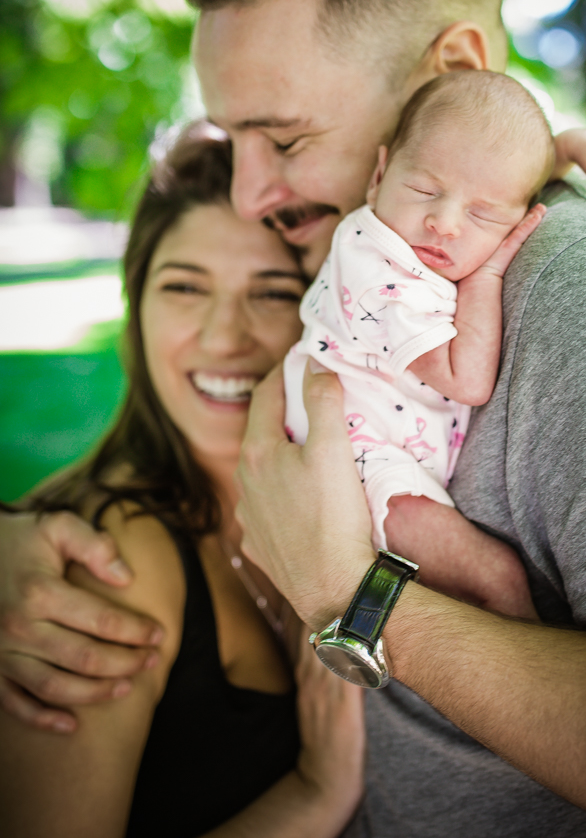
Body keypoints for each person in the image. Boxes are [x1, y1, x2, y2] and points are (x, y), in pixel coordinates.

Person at [1, 0, 586, 837]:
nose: (249, 195)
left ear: (454, 70)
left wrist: (354, 600)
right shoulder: (374, 256)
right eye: (234, 144)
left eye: (280, 138)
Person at [0, 123, 365, 838]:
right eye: (184, 287)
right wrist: (315, 795)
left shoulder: (342, 498)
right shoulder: (103, 565)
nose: (223, 336)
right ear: (136, 308)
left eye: (271, 293)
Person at [284, 70, 551, 616]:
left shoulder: (414, 226)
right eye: (424, 190)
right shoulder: (380, 262)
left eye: (482, 214)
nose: (444, 222)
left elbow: (487, 162)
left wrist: (567, 148)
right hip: (356, 458)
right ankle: (545, 678)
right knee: (495, 576)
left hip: (377, 442)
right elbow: (468, 380)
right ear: (378, 175)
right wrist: (487, 274)